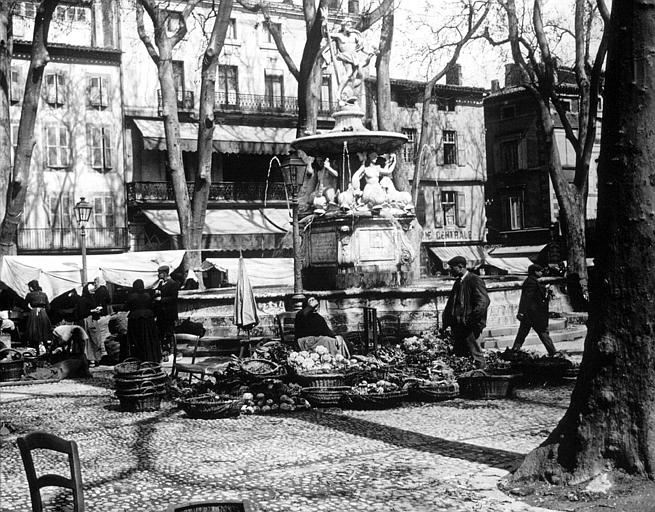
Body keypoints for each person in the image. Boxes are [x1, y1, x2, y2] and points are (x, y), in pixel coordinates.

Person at [441, 256, 490, 369]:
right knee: (460, 353)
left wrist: (471, 320)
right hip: (459, 324)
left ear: (460, 267)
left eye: (452, 268)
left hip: (469, 325)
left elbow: (483, 301)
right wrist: (447, 321)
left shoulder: (474, 280)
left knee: (475, 353)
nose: (450, 270)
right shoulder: (458, 282)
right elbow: (452, 304)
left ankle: (482, 376)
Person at [511, 264, 557, 356]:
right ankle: (553, 352)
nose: (541, 273)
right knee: (542, 333)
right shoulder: (531, 282)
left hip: (531, 314)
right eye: (540, 271)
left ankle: (514, 351)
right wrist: (521, 312)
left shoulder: (533, 281)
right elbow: (526, 298)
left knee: (522, 334)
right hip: (533, 314)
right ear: (535, 272)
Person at [126, 279, 161, 363]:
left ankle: (139, 358)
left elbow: (127, 306)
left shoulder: (132, 296)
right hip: (148, 319)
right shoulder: (147, 295)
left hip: (135, 320)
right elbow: (152, 306)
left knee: (137, 340)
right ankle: (151, 358)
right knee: (149, 339)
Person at [75, 282, 105, 367]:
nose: (93, 292)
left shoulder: (93, 298)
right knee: (88, 341)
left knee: (95, 339)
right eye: (91, 290)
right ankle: (88, 359)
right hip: (87, 321)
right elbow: (81, 312)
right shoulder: (82, 300)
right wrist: (92, 311)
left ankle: (96, 358)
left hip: (93, 320)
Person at [154, 265, 179, 361]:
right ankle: (164, 352)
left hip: (169, 314)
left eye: (159, 273)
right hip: (162, 314)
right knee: (161, 333)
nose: (158, 275)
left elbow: (174, 298)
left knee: (170, 333)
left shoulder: (173, 283)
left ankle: (172, 352)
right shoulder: (162, 284)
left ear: (164, 273)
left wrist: (162, 299)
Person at [24, 280, 52, 351]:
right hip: (43, 313)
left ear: (31, 287)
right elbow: (48, 308)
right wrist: (44, 312)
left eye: (29, 287)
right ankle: (47, 349)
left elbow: (24, 305)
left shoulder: (29, 295)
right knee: (44, 331)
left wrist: (30, 310)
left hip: (34, 313)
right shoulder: (44, 294)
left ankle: (37, 351)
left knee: (34, 332)